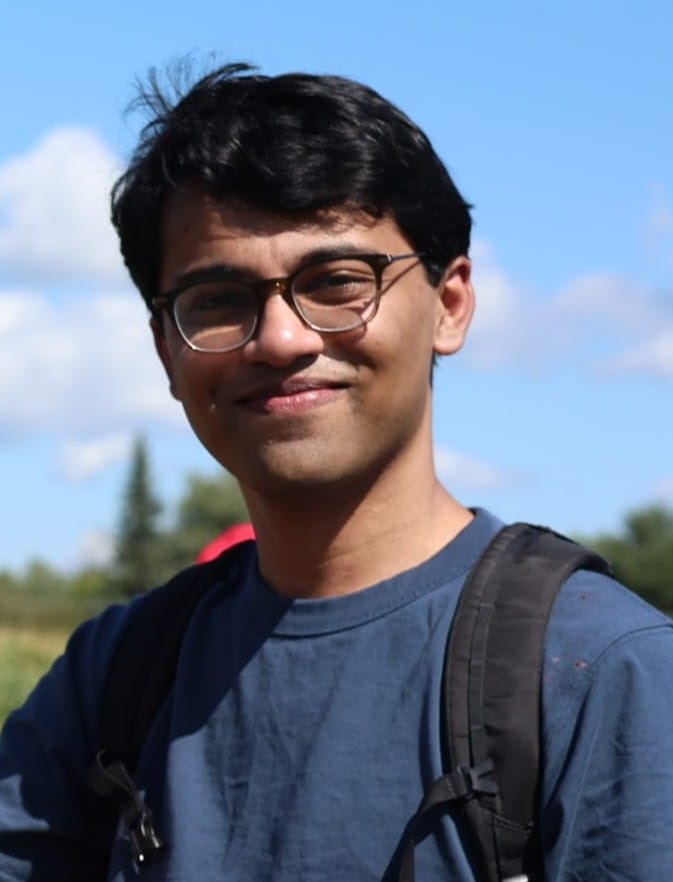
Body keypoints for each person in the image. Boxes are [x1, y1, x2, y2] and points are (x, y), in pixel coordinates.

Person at [1, 61, 672, 882]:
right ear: (165, 350)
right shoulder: (113, 680)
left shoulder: (603, 673)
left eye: (337, 283)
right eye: (217, 299)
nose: (280, 339)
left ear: (449, 303)